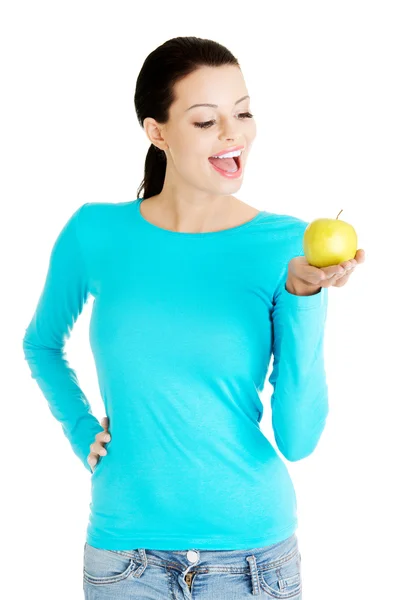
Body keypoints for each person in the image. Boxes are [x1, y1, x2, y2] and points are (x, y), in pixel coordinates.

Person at [22, 36, 363, 599]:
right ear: (157, 132)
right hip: (124, 559)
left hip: (253, 559)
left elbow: (300, 439)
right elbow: (41, 344)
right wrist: (82, 432)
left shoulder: (287, 244)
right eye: (207, 121)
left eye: (244, 112)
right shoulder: (95, 231)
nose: (235, 134)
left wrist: (305, 294)